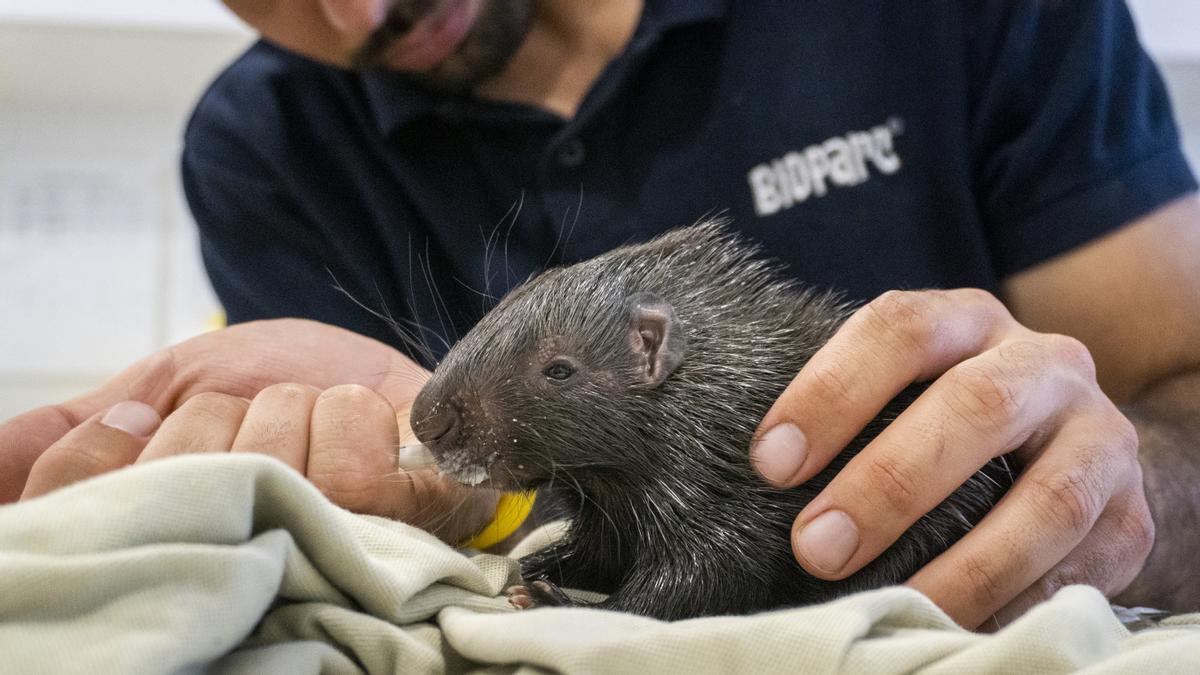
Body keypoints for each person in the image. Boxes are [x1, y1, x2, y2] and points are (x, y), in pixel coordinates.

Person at [3, 0, 1199, 629]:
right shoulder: (259, 149)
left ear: (651, 353)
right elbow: (458, 530)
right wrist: (417, 496)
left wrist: (1117, 482)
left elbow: (1181, 391)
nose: (355, 6)